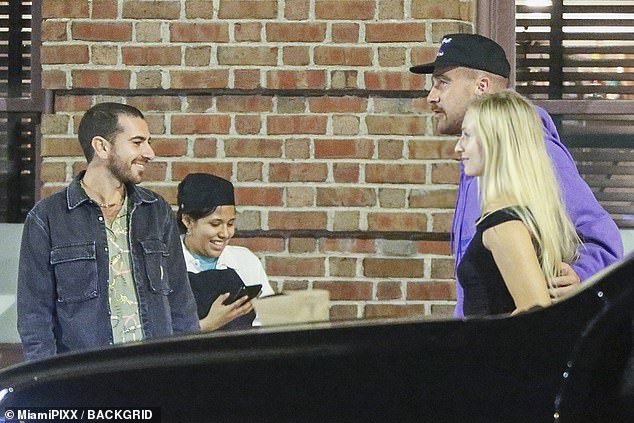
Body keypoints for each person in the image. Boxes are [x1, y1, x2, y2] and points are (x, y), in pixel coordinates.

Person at [410, 33, 623, 317]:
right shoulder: (484, 157)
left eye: (442, 82)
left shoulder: (534, 150)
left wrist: (581, 275)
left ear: (481, 86)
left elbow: (601, 237)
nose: (432, 96)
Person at [17, 102, 199, 361]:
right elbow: (34, 318)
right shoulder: (47, 218)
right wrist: (49, 382)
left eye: (149, 142)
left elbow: (181, 304)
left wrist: (186, 369)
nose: (150, 153)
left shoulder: (156, 211)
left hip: (154, 374)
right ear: (102, 147)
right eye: (137, 142)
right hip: (84, 381)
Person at [456, 90, 580, 315]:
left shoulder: (503, 226)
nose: (458, 147)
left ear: (496, 140)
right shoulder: (521, 216)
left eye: (467, 135)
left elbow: (534, 317)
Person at [177, 173, 274, 331]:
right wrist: (208, 324)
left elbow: (267, 321)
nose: (225, 233)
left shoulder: (245, 260)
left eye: (230, 224)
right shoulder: (167, 265)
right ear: (187, 221)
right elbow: (159, 333)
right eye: (215, 224)